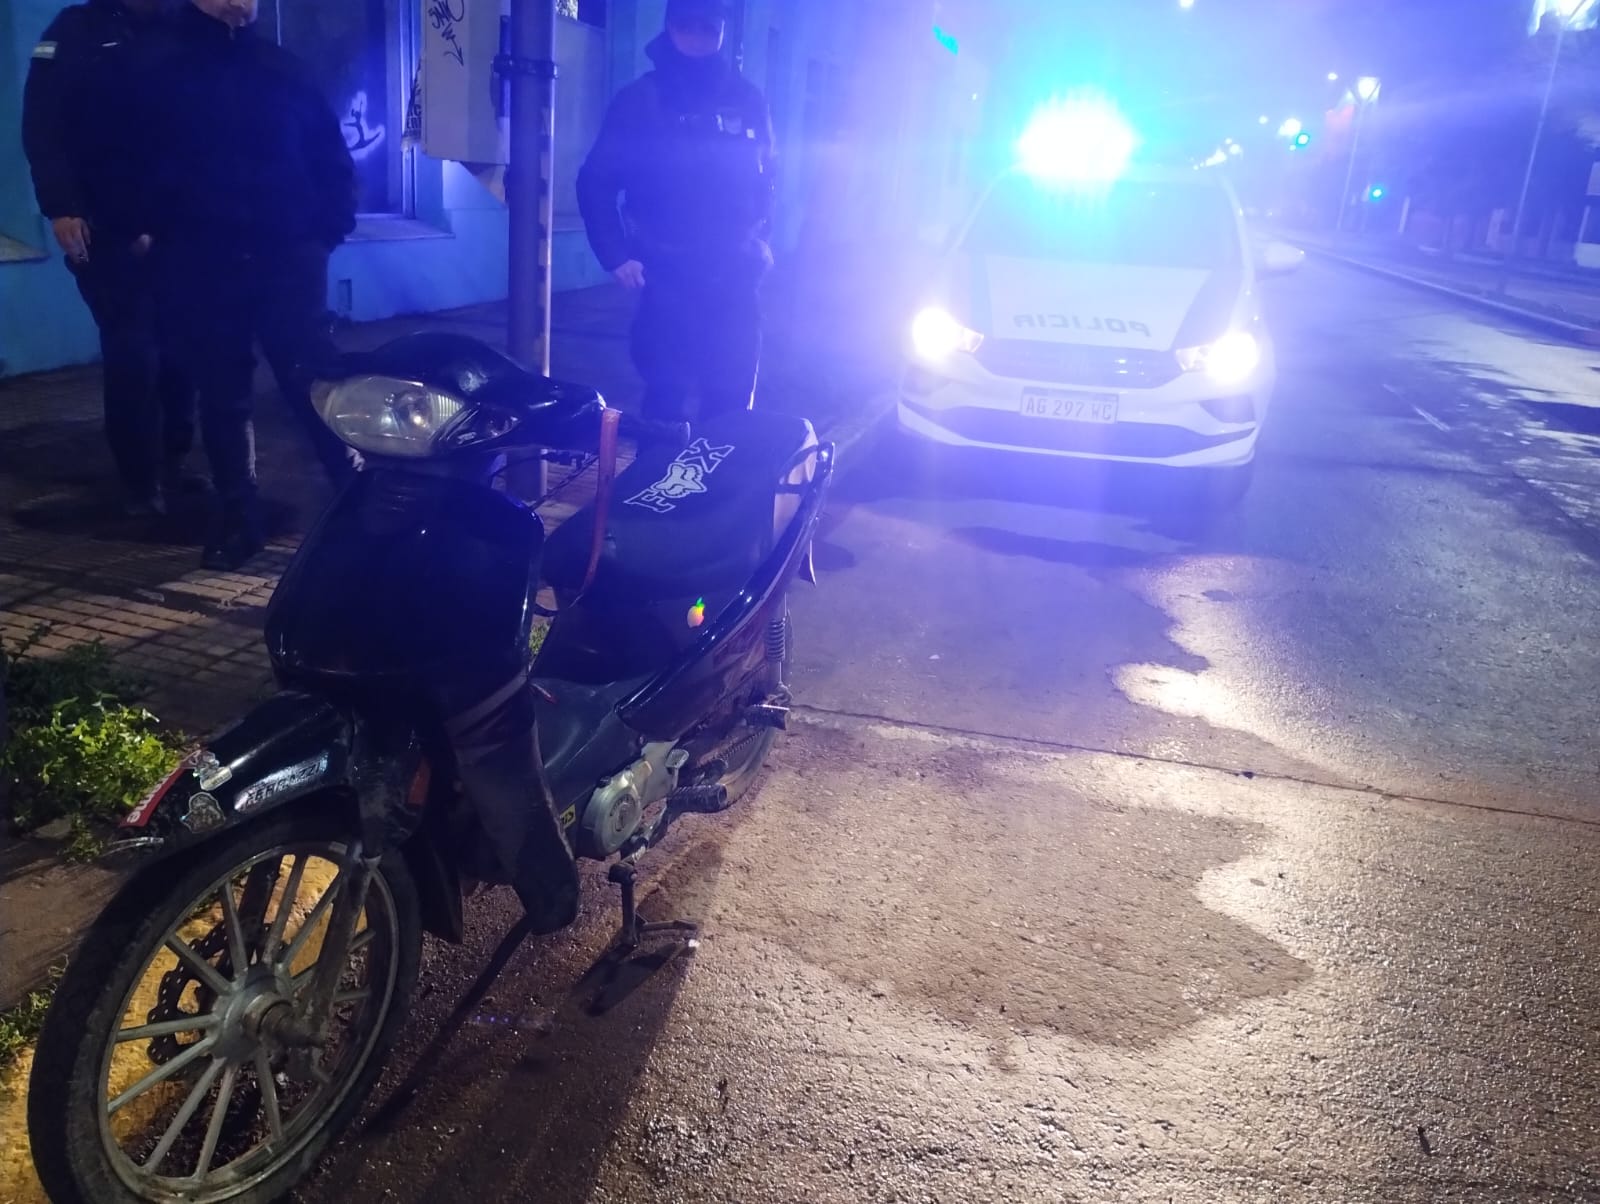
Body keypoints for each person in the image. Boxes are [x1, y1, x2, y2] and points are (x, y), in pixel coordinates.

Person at [130, 0, 358, 570]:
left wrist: (325, 232)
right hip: (203, 257)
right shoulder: (162, 68)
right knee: (223, 392)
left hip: (286, 256)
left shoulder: (283, 67)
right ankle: (239, 517)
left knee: (312, 382)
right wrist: (155, 231)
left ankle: (359, 502)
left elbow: (329, 155)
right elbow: (131, 159)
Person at [22, 0, 199, 518]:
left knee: (181, 348)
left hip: (177, 225)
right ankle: (140, 481)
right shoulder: (76, 29)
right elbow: (43, 126)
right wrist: (62, 206)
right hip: (103, 225)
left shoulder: (186, 28)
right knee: (133, 351)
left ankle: (173, 462)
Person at [576, 0, 775, 423]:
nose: (699, 37)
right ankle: (660, 464)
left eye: (710, 27)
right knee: (667, 395)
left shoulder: (747, 98)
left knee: (732, 396)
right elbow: (595, 181)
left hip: (734, 273)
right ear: (670, 28)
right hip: (667, 271)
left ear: (722, 31)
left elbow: (767, 175)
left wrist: (761, 236)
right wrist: (615, 255)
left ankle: (722, 467)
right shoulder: (640, 100)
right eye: (688, 26)